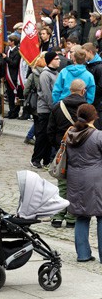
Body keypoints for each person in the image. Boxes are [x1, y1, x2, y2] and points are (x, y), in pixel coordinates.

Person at [47, 79, 87, 228]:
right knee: (77, 185)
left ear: (70, 90)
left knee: (62, 184)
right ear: (83, 91)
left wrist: (57, 146)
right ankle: (72, 218)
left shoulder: (58, 106)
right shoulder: (87, 109)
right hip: (82, 151)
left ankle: (57, 216)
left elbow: (50, 130)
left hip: (63, 149)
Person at [65, 104, 102, 262]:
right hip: (96, 180)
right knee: (101, 216)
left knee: (81, 216)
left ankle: (83, 254)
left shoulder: (69, 134)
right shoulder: (98, 136)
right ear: (94, 117)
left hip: (75, 179)